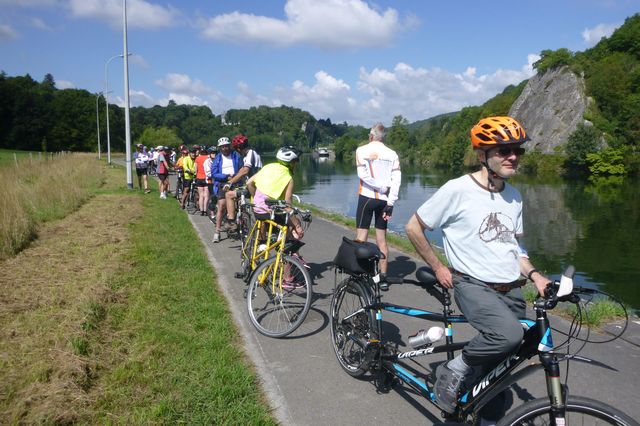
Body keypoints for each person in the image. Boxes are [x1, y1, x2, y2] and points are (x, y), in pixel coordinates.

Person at [404, 116, 551, 419]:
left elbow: (515, 249)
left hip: (511, 290)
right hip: (473, 284)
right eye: (504, 150)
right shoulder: (457, 189)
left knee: (504, 362)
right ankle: (453, 369)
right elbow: (414, 227)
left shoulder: (514, 196)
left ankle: (484, 415)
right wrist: (439, 266)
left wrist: (535, 275)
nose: (513, 156)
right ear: (483, 155)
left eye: (517, 151)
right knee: (507, 335)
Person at [354, 122, 401, 290]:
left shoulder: (361, 150)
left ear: (371, 136)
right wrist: (391, 203)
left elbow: (363, 175)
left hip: (367, 197)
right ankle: (383, 278)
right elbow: (396, 180)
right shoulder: (392, 154)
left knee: (361, 238)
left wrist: (378, 187)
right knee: (382, 240)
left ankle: (360, 276)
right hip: (384, 201)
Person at [246, 146, 305, 242]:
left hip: (257, 210)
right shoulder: (288, 178)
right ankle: (288, 249)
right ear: (292, 163)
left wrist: (257, 199)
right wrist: (297, 225)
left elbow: (249, 183)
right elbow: (287, 206)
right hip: (271, 214)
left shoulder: (267, 167)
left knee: (273, 223)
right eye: (295, 162)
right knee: (295, 221)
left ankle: (262, 245)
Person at [224, 134, 263, 230]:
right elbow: (242, 170)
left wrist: (230, 183)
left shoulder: (250, 153)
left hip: (256, 187)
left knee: (229, 195)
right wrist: (234, 179)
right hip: (253, 185)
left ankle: (231, 221)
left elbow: (245, 170)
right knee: (235, 194)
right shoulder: (248, 154)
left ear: (238, 148)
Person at [211, 137, 243, 243]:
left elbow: (241, 168)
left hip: (235, 182)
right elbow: (214, 173)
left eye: (226, 146)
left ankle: (237, 225)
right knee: (222, 206)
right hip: (222, 183)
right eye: (222, 147)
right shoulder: (218, 158)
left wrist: (237, 177)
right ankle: (217, 231)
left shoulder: (236, 155)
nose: (225, 148)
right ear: (220, 148)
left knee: (239, 204)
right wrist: (225, 176)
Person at [194, 146, 210, 216]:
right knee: (206, 195)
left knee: (201, 195)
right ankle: (205, 210)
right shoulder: (208, 158)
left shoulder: (197, 158)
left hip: (199, 178)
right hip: (206, 178)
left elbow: (195, 169)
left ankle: (201, 211)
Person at [203, 146, 217, 220]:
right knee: (213, 197)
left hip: (218, 181)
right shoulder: (207, 162)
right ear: (209, 154)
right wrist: (218, 175)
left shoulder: (218, 160)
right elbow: (208, 173)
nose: (214, 154)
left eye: (215, 153)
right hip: (210, 181)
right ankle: (212, 213)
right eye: (212, 153)